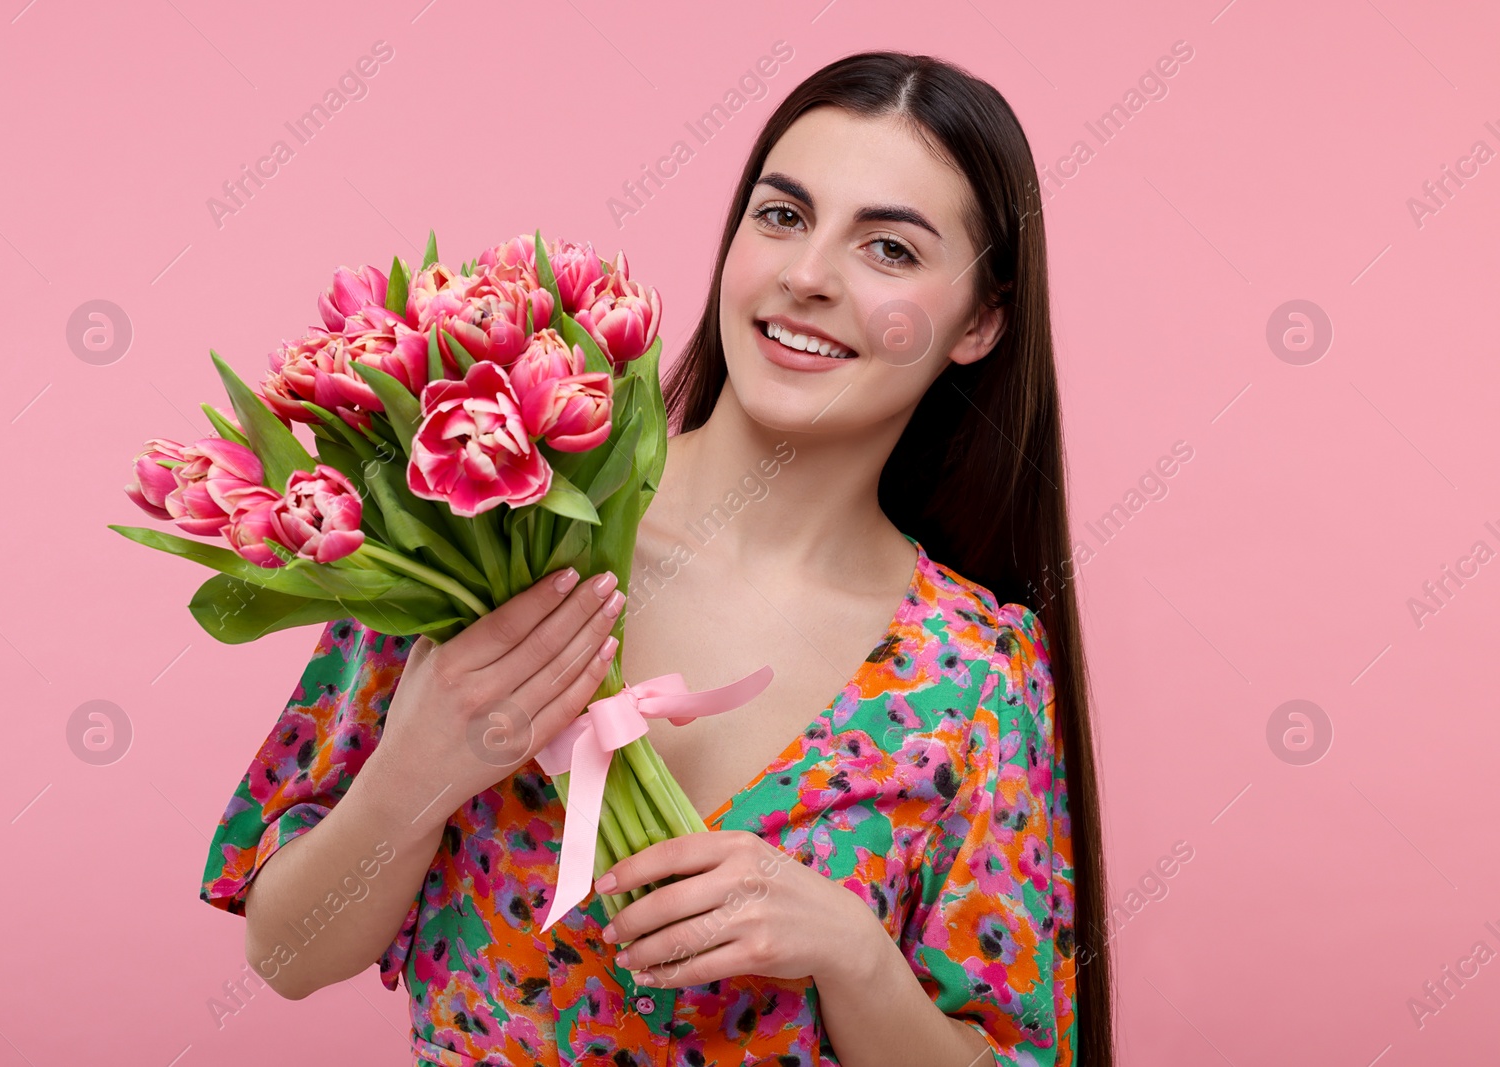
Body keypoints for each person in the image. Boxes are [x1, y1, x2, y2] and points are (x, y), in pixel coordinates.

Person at [200, 50, 1112, 1067]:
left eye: (889, 249)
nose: (806, 276)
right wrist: (418, 769)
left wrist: (855, 955)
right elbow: (286, 949)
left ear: (980, 321)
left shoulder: (974, 670)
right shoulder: (500, 513)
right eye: (781, 216)